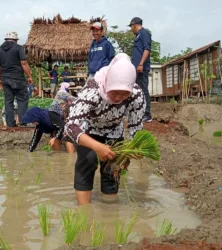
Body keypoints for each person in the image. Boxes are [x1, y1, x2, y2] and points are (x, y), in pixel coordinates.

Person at [65, 53, 145, 205]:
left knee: (112, 167)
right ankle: (84, 213)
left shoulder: (136, 95)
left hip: (114, 130)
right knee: (87, 161)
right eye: (114, 92)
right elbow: (71, 127)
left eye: (124, 94)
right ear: (108, 83)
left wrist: (132, 152)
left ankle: (109, 214)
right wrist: (97, 147)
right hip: (88, 130)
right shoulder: (92, 90)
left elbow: (136, 128)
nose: (118, 98)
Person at [0, 32, 33, 128]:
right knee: (22, 99)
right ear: (15, 40)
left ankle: (10, 123)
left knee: (8, 101)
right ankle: (23, 121)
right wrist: (29, 76)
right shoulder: (18, 48)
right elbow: (23, 62)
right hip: (18, 78)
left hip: (5, 79)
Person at [129, 17, 152, 123]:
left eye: (131, 27)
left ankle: (147, 114)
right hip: (136, 69)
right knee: (138, 91)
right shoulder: (138, 35)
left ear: (134, 25)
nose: (131, 29)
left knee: (143, 90)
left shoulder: (144, 33)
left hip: (141, 68)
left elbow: (147, 49)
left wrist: (141, 64)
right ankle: (140, 113)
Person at [49, 82, 76, 153]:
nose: (69, 89)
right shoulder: (62, 93)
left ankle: (58, 154)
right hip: (59, 119)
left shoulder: (63, 98)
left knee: (59, 133)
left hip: (59, 119)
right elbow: (73, 98)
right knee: (67, 135)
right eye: (68, 88)